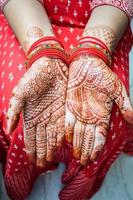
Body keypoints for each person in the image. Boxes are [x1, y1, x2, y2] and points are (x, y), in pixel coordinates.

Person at [0, 0, 133, 199]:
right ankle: (25, 171)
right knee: (21, 119)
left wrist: (94, 50)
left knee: (110, 122)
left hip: (104, 20)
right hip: (25, 16)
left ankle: (80, 184)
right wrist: (42, 50)